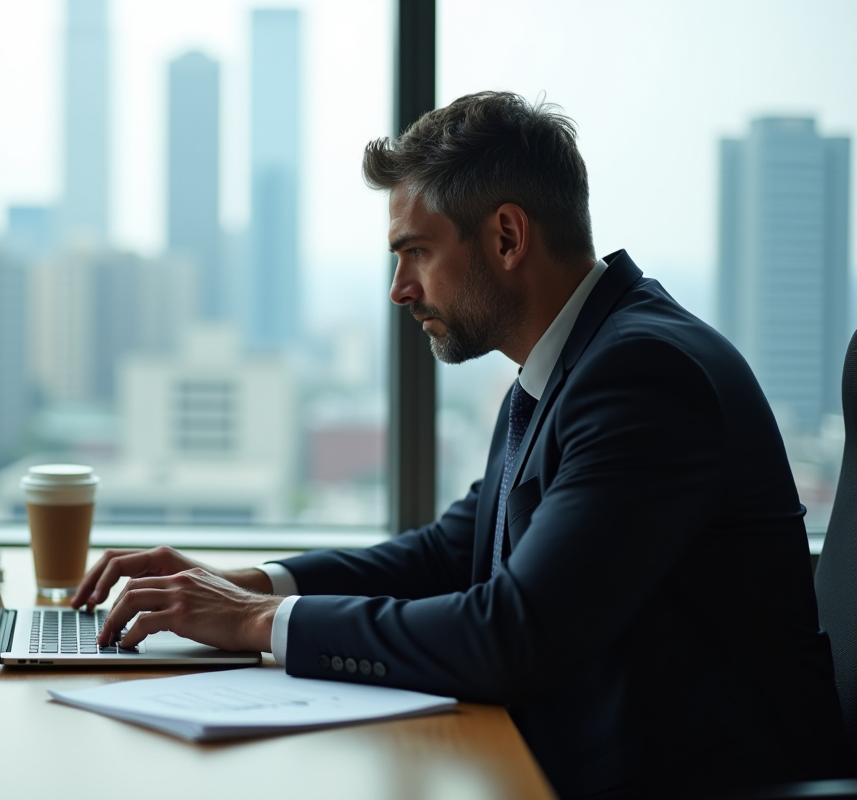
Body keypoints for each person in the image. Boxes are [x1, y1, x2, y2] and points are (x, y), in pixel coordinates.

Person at [72, 92, 852, 797]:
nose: (399, 289)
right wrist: (238, 583)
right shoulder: (568, 365)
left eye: (416, 251)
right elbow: (450, 553)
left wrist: (251, 624)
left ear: (507, 236)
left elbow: (512, 634)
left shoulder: (644, 378)